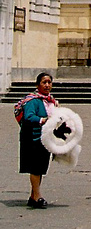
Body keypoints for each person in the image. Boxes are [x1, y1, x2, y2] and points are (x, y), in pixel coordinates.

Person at [17, 72, 58, 208]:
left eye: (49, 82)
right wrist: (43, 120)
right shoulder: (33, 101)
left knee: (40, 168)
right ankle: (37, 196)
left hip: (44, 138)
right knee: (35, 168)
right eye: (44, 82)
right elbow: (29, 117)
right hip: (32, 138)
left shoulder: (50, 100)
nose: (47, 85)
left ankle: (33, 195)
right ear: (37, 84)